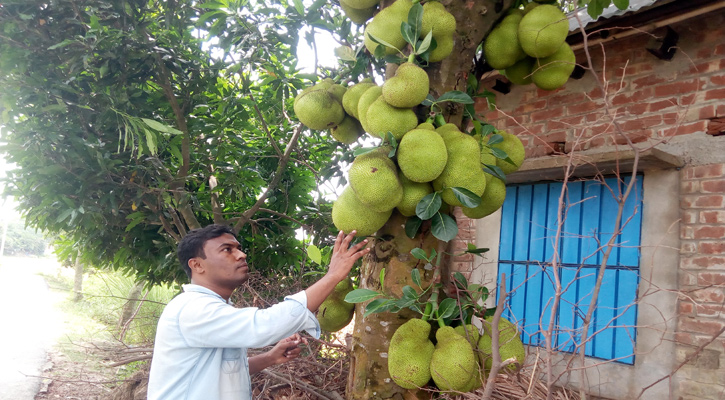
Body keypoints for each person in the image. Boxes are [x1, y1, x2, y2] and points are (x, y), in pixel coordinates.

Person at [147, 224, 369, 400]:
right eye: (227, 250)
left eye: (238, 247)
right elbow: (264, 325)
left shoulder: (215, 310)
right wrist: (332, 276)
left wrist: (269, 358)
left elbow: (220, 371)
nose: (241, 254)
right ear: (197, 265)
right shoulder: (191, 308)